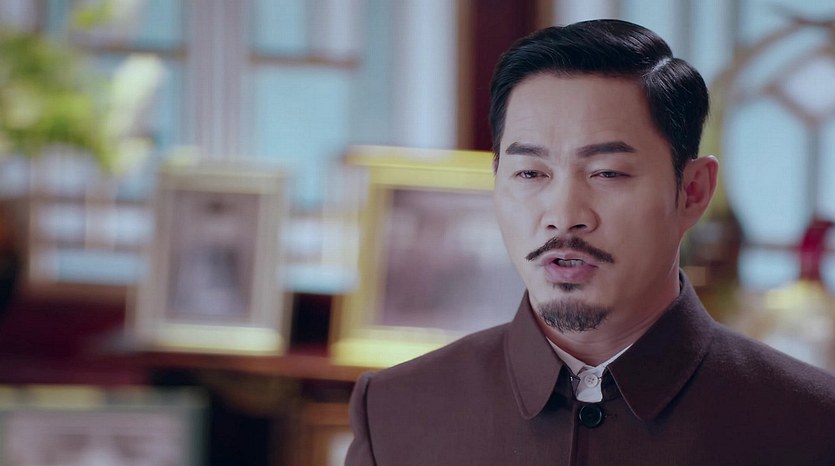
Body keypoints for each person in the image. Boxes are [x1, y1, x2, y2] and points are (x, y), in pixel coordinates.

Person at [345, 19, 835, 465]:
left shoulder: (812, 425)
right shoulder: (395, 411)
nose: (563, 217)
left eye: (607, 172)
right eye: (530, 172)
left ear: (692, 191)